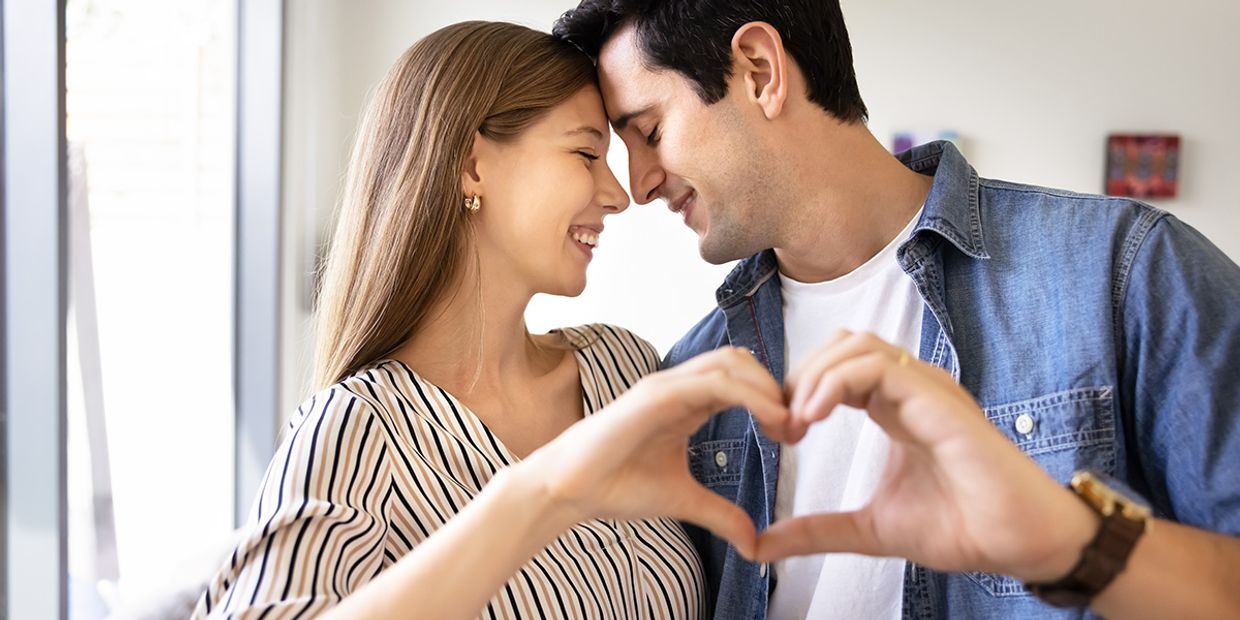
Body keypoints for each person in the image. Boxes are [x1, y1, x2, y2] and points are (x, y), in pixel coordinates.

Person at [554, 1, 1240, 618]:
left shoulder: (1124, 270)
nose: (638, 184)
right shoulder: (692, 374)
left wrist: (1070, 543)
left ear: (760, 70)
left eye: (647, 132)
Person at [193, 21, 798, 619]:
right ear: (472, 165)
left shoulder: (627, 369)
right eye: (586, 153)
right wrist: (542, 493)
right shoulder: (358, 432)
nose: (619, 194)